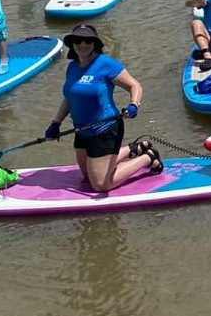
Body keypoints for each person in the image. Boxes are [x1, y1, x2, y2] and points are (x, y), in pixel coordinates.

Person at [42, 24, 157, 191]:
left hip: (105, 130)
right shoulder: (72, 67)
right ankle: (134, 148)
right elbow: (70, 98)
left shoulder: (106, 64)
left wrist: (133, 105)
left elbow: (134, 85)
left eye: (88, 40)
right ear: (72, 44)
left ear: (95, 44)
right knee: (87, 177)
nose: (82, 44)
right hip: (81, 130)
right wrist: (56, 123)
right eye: (78, 40)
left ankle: (148, 157)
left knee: (101, 185)